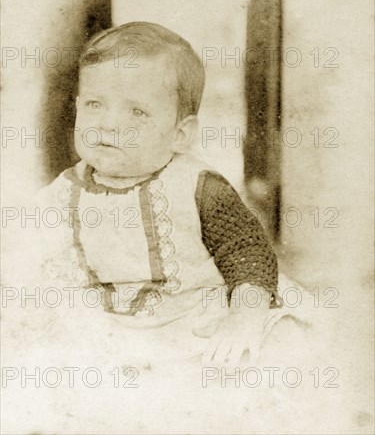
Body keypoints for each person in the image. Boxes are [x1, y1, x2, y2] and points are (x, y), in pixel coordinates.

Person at [30, 21, 300, 367]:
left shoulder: (196, 187)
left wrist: (243, 318)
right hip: (107, 330)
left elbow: (248, 255)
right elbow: (28, 260)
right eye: (95, 104)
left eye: (136, 111)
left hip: (195, 318)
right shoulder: (61, 194)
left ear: (180, 133)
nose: (109, 124)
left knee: (270, 346)